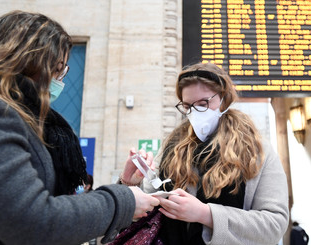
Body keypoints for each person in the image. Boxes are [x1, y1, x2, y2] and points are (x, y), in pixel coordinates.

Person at [0, 10, 159, 245]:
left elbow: (55, 207)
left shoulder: (10, 116)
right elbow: (34, 223)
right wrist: (123, 201)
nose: (60, 80)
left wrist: (125, 187)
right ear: (29, 61)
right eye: (58, 69)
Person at [119, 62, 289, 244]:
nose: (195, 113)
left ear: (224, 99)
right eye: (188, 106)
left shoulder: (256, 150)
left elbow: (274, 224)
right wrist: (132, 184)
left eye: (203, 103)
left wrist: (205, 214)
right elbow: (148, 211)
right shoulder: (174, 147)